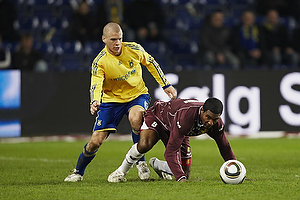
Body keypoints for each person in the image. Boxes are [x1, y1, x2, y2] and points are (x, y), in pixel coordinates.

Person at [64, 22, 177, 182]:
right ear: (104, 39)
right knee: (95, 142)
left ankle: (141, 162)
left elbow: (151, 63)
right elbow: (95, 83)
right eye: (113, 39)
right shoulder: (100, 61)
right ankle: (78, 172)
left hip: (137, 95)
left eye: (119, 39)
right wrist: (95, 100)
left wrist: (165, 84)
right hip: (112, 101)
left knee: (136, 118)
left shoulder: (134, 49)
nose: (117, 43)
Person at [108, 97, 236, 182]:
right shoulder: (187, 117)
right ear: (202, 110)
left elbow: (224, 146)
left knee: (186, 172)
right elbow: (170, 151)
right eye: (208, 117)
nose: (210, 122)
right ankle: (120, 171)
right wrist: (180, 179)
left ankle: (158, 165)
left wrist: (235, 169)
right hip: (159, 117)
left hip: (177, 127)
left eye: (215, 119)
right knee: (145, 144)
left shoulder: (216, 124)